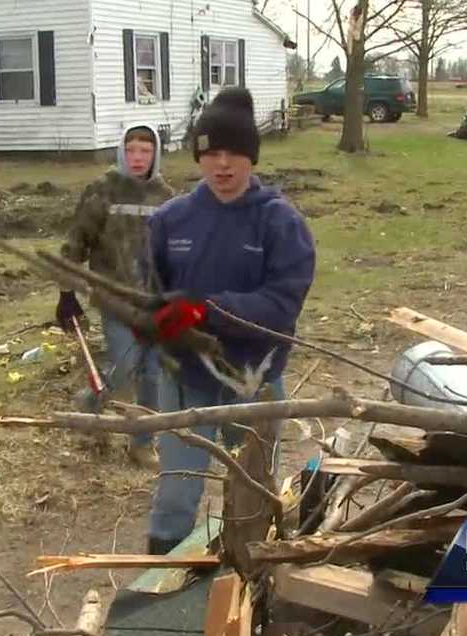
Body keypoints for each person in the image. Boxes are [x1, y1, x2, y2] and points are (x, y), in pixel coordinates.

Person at [142, 88, 316, 555]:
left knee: (254, 494)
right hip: (185, 383)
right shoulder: (171, 220)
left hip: (254, 383)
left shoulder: (279, 223)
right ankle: (161, 598)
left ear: (251, 158)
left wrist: (204, 309)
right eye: (211, 153)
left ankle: (248, 587)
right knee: (176, 496)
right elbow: (147, 294)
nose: (222, 165)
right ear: (199, 157)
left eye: (234, 154)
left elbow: (282, 307)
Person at [57, 125, 176, 469]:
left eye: (145, 150)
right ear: (121, 151)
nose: (138, 158)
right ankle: (93, 401)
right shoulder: (102, 190)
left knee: (152, 374)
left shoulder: (165, 195)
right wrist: (67, 293)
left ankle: (142, 443)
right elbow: (76, 242)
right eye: (132, 150)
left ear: (156, 153)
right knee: (125, 366)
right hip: (113, 299)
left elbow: (175, 250)